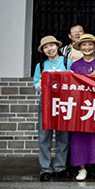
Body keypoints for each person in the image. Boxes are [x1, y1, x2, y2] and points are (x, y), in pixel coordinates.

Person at [69, 34, 95, 181]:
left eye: (90, 44)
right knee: (80, 137)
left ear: (94, 46)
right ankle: (82, 168)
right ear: (79, 48)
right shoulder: (75, 65)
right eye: (84, 45)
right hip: (80, 106)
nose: (87, 47)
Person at [33, 35, 71, 181]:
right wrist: (43, 80)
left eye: (52, 45)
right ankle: (45, 168)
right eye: (46, 47)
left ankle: (60, 167)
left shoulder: (67, 62)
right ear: (43, 50)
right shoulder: (41, 66)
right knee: (44, 136)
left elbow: (74, 81)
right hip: (47, 103)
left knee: (63, 136)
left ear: (57, 46)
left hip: (64, 103)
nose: (49, 49)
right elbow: (36, 86)